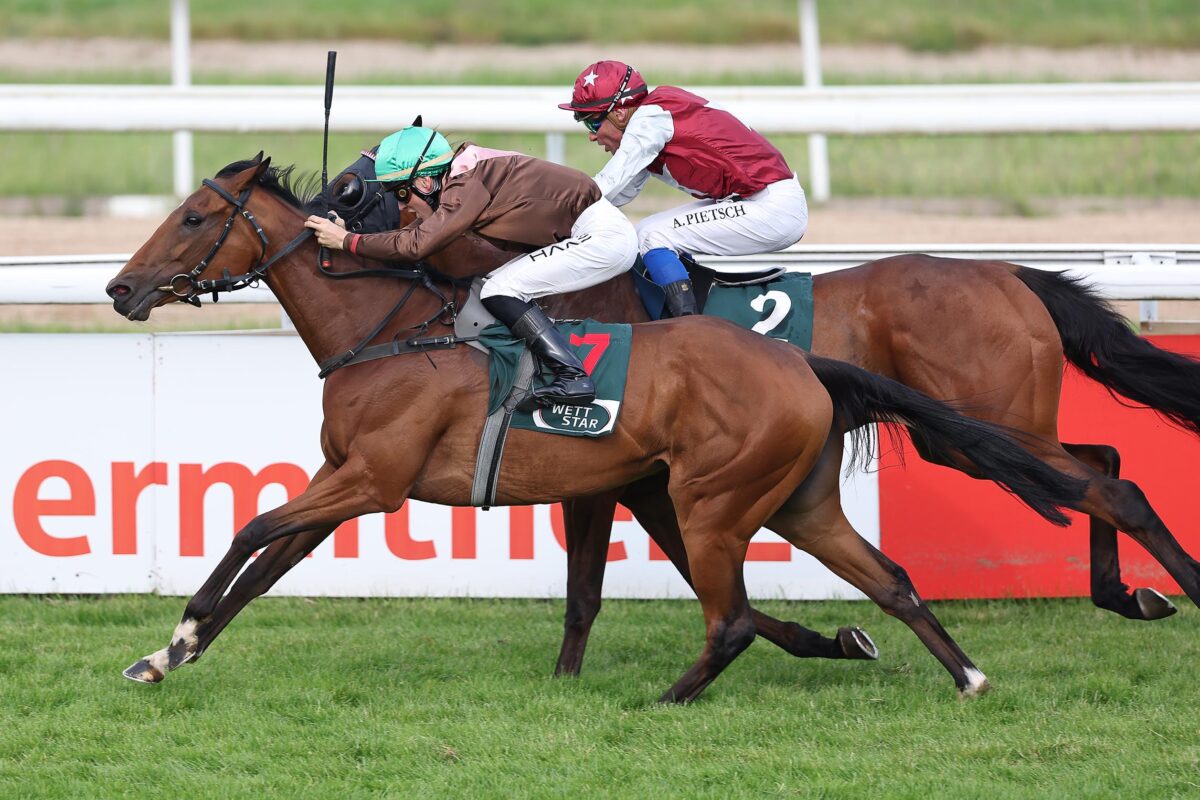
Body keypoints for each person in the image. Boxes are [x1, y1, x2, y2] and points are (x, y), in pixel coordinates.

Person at [306, 125, 637, 408]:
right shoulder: (464, 177)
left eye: (402, 193)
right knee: (490, 287)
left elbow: (418, 244)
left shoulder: (467, 183)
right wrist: (352, 235)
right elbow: (414, 235)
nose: (403, 205)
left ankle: (573, 377)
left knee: (499, 289)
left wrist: (347, 241)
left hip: (600, 237)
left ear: (425, 183)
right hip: (590, 232)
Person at [559, 60, 809, 317]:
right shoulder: (655, 118)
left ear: (619, 114)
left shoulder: (649, 121)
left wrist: (552, 211)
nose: (592, 136)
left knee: (653, 236)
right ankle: (690, 304)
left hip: (772, 207)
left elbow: (606, 185)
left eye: (592, 124)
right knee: (645, 230)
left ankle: (688, 326)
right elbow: (615, 196)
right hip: (757, 200)